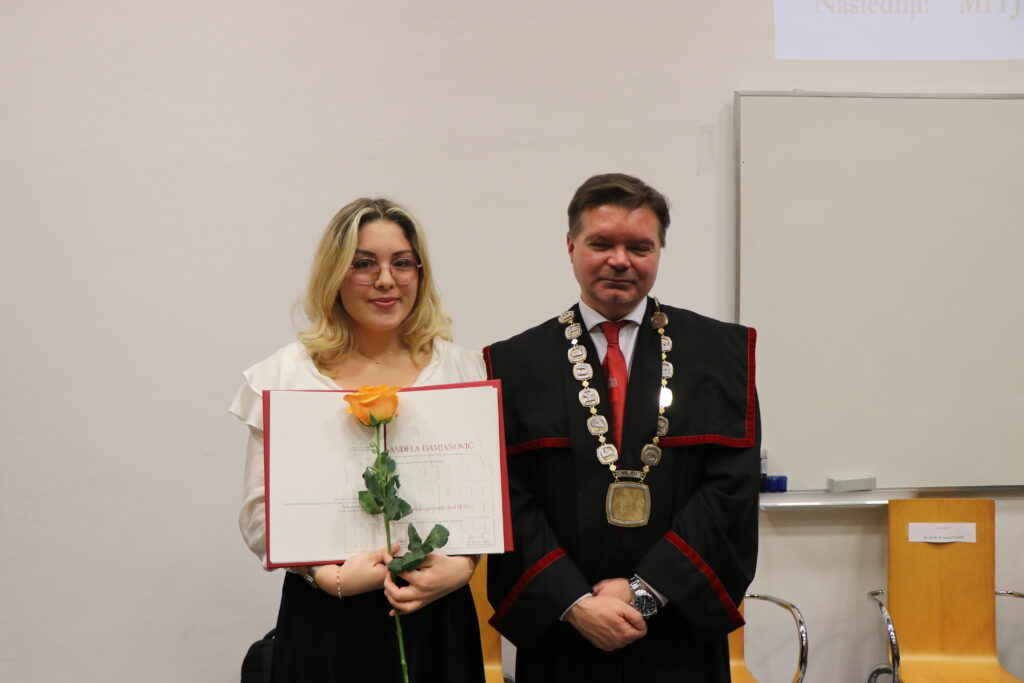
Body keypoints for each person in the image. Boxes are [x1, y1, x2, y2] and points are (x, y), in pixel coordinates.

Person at [485, 174, 760, 682]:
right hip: (565, 631)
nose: (620, 260)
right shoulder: (515, 363)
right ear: (571, 247)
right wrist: (573, 602)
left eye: (639, 247)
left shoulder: (718, 355)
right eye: (601, 243)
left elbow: (730, 494)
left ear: (659, 252)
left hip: (675, 628)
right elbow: (508, 499)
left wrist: (644, 592)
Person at [229, 197, 487, 682]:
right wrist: (325, 576)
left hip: (437, 615)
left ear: (420, 273)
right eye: (364, 263)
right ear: (334, 273)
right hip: (326, 619)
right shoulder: (284, 375)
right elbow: (259, 511)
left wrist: (465, 566)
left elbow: (484, 496)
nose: (386, 280)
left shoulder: (463, 370)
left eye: (402, 263)